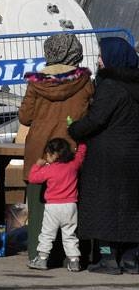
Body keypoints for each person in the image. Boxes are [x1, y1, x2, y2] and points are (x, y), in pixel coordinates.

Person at [17, 32, 94, 262]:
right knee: (71, 208)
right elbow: (89, 115)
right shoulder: (85, 83)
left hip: (41, 152)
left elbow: (24, 117)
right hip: (71, 150)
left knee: (40, 209)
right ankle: (70, 256)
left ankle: (38, 254)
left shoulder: (36, 84)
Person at [68, 36, 139, 275]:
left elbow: (96, 120)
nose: (98, 60)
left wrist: (74, 129)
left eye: (101, 56)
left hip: (107, 157)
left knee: (103, 206)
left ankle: (107, 258)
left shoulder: (109, 86)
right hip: (133, 155)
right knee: (131, 207)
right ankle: (130, 259)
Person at [26, 138, 87, 272]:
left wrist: (37, 165)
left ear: (55, 154)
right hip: (70, 206)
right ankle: (74, 260)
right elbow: (81, 153)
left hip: (53, 207)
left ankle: (42, 259)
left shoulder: (49, 169)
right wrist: (81, 140)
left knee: (47, 234)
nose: (46, 156)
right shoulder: (73, 165)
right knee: (70, 235)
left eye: (48, 154)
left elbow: (32, 178)